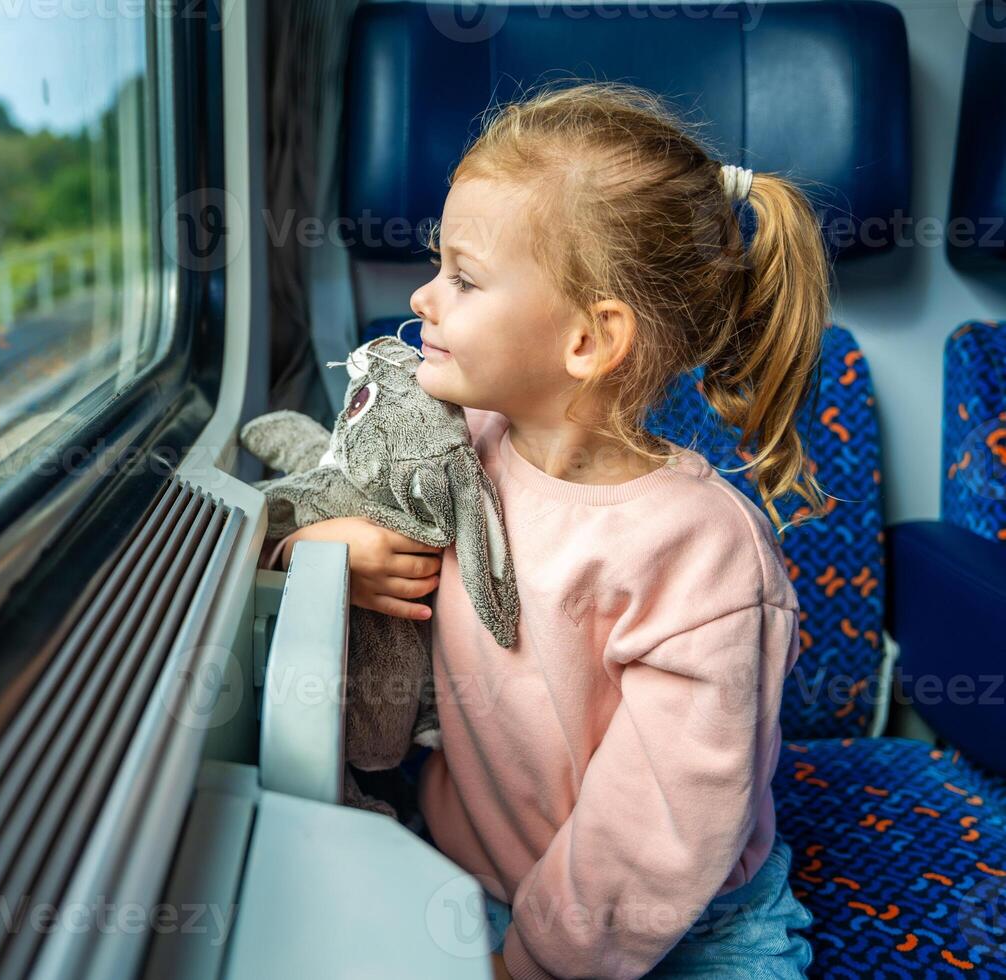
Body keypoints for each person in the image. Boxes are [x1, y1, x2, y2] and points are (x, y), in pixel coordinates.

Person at [258, 80, 822, 978]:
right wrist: (316, 555)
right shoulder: (455, 450)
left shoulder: (703, 557)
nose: (423, 298)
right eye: (435, 265)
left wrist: (530, 966)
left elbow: (654, 833)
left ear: (590, 342)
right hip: (470, 871)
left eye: (463, 278)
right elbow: (320, 496)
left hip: (684, 920)